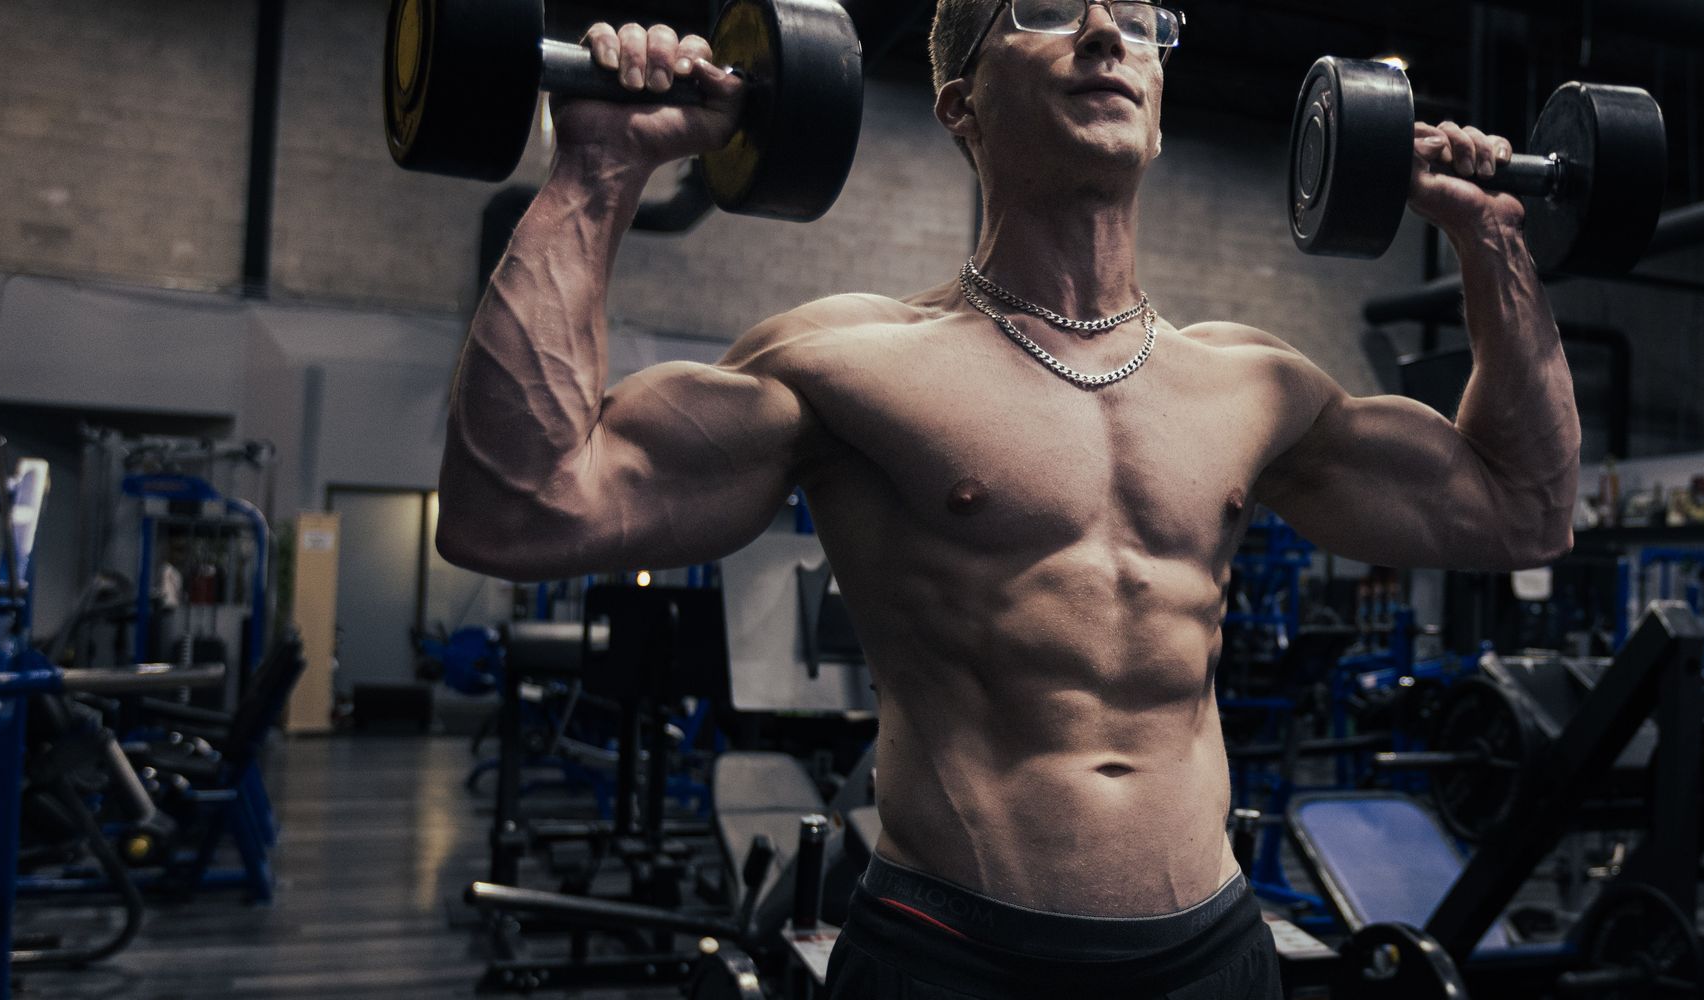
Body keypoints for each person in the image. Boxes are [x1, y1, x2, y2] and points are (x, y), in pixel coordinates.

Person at [436, 0, 1579, 994]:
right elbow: (521, 508)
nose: (1103, 35)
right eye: (1043, 9)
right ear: (958, 105)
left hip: (1214, 954)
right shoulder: (852, 365)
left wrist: (1493, 243)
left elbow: (1521, 510)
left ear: (1163, 100)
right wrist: (598, 170)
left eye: (1139, 22)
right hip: (954, 958)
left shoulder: (1257, 385)